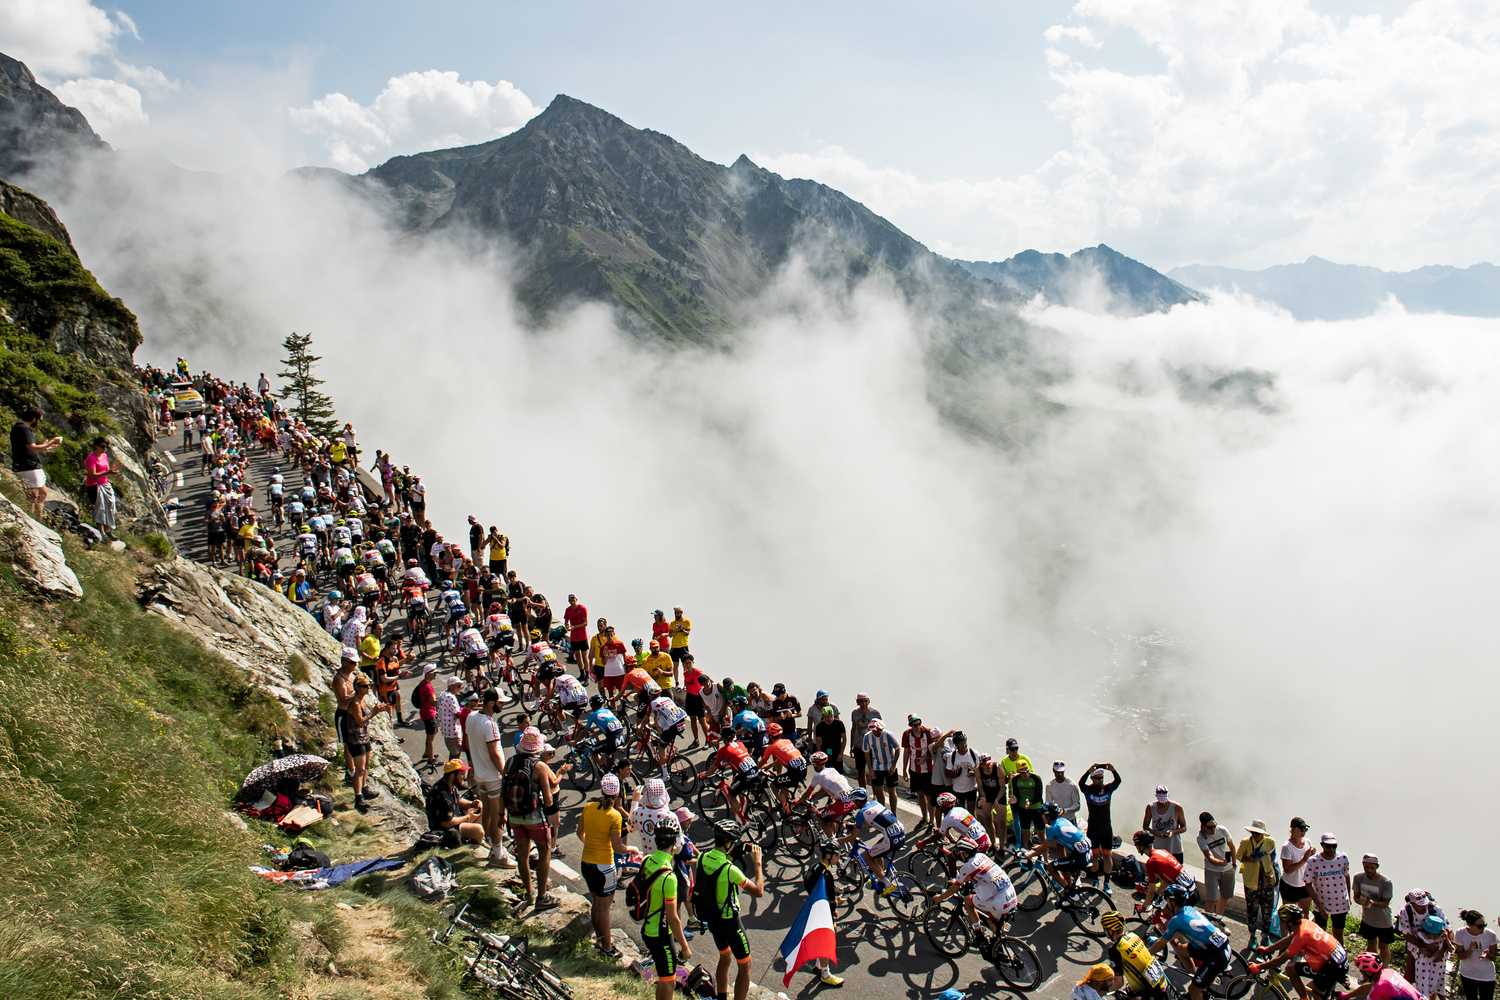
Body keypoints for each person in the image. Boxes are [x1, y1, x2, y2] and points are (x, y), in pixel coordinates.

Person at [698, 821, 766, 1000]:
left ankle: (721, 998)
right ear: (728, 844)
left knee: (725, 956)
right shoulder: (730, 870)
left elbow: (716, 868)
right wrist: (757, 864)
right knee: (745, 965)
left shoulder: (702, 858)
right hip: (730, 921)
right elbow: (758, 891)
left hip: (712, 919)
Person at [578, 773, 637, 959]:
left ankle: (600, 939)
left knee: (596, 904)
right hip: (604, 867)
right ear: (618, 793)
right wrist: (633, 849)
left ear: (602, 790)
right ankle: (607, 947)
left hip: (586, 863)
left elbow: (580, 833)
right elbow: (617, 846)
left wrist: (591, 844)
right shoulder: (615, 816)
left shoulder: (588, 807)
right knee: (604, 909)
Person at [927, 837, 1018, 950]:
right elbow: (974, 876)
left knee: (967, 902)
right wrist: (961, 881)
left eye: (960, 853)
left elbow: (954, 889)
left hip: (1000, 902)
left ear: (965, 853)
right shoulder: (982, 856)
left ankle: (979, 935)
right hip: (1012, 897)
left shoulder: (967, 866)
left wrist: (940, 898)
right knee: (992, 920)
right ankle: (999, 948)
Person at [506, 727, 559, 910]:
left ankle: (529, 893)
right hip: (535, 817)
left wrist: (500, 815)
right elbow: (549, 797)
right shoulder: (540, 766)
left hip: (514, 816)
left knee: (522, 853)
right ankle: (542, 896)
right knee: (544, 852)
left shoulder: (510, 761)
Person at [1251, 903, 1350, 1000]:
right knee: (1294, 970)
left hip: (1332, 966)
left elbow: (1282, 960)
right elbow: (1289, 940)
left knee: (1313, 989)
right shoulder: (1304, 923)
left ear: (1289, 923)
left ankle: (1304, 999)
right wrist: (1268, 949)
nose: (1281, 924)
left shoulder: (1301, 937)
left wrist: (1260, 967)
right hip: (1338, 958)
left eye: (1282, 921)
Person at [1149, 888, 1233, 1000]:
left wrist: (1146, 953)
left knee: (1193, 990)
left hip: (1217, 956)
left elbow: (1161, 944)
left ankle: (1197, 988)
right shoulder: (1188, 909)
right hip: (1221, 946)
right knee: (1180, 950)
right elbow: (1174, 934)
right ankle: (1197, 978)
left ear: (1173, 903)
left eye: (1166, 900)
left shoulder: (1176, 920)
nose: (1165, 903)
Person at [639, 822, 693, 999]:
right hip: (661, 934)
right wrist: (685, 946)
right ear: (675, 845)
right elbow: (673, 918)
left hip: (647, 928)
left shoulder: (647, 860)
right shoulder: (669, 877)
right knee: (668, 980)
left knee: (664, 977)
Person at [466, 688, 517, 868]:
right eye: (500, 702)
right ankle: (497, 853)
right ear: (491, 703)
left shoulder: (471, 717)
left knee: (487, 810)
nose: (502, 705)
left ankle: (492, 846)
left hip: (480, 773)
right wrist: (505, 774)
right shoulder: (489, 724)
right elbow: (494, 753)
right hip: (493, 775)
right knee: (497, 815)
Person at [800, 839, 845, 986]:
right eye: (836, 856)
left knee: (828, 935)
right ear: (828, 856)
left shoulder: (814, 868)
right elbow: (826, 899)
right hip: (822, 912)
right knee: (826, 940)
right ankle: (825, 974)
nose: (838, 859)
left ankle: (819, 965)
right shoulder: (825, 875)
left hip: (816, 909)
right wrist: (836, 904)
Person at [1100, 910, 1173, 1000]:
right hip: (1161, 982)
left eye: (1104, 929)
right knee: (1125, 991)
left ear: (1110, 931)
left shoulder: (1115, 950)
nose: (1104, 931)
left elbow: (1118, 983)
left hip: (1153, 993)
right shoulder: (1132, 935)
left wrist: (1100, 991)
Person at [345, 674, 390, 811]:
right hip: (356, 739)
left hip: (364, 737)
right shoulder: (355, 704)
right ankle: (358, 798)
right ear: (357, 687)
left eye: (369, 685)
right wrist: (375, 712)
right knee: (360, 770)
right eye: (365, 686)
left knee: (366, 766)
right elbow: (360, 721)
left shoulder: (363, 700)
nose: (368, 688)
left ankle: (364, 788)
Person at [842, 788, 905, 885]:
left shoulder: (861, 813)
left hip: (891, 839)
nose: (853, 804)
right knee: (876, 851)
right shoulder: (875, 803)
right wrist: (855, 825)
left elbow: (852, 837)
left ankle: (887, 884)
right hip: (899, 832)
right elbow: (873, 821)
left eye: (854, 802)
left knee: (868, 857)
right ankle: (881, 878)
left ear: (859, 802)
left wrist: (835, 840)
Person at [1395, 891, 1452, 999]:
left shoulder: (1435, 909)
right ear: (1412, 904)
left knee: (1437, 980)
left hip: (1438, 949)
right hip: (1417, 948)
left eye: (1425, 904)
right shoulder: (1406, 912)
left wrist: (1441, 951)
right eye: (1420, 905)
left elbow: (1449, 931)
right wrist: (1425, 946)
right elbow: (1407, 935)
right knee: (1410, 977)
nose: (1424, 907)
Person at [1237, 819, 1281, 948]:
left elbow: (1273, 858)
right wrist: (1250, 859)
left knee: (1267, 911)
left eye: (1258, 834)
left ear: (1263, 834)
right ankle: (1252, 936)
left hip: (1267, 881)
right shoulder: (1245, 843)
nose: (1255, 836)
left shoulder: (1270, 842)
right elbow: (1239, 856)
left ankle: (1265, 936)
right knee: (1252, 910)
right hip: (1251, 882)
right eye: (1253, 833)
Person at [10, 407, 61, 517]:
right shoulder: (24, 429)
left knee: (37, 495)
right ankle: (35, 518)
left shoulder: (18, 428)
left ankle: (34, 517)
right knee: (38, 495)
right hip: (29, 467)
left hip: (25, 466)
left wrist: (47, 446)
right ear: (34, 419)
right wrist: (53, 441)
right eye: (40, 420)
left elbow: (30, 448)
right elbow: (32, 449)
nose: (39, 423)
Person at [1133, 829, 1199, 909]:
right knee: (1164, 910)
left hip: (1185, 894)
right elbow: (1165, 882)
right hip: (1192, 890)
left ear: (1141, 846)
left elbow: (1151, 890)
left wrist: (1143, 907)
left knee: (1169, 916)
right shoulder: (1162, 851)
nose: (1136, 847)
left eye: (1136, 845)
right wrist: (1156, 895)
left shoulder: (1151, 862)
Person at [426, 759, 484, 846]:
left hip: (455, 819)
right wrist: (467, 818)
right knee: (479, 830)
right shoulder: (442, 795)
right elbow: (446, 823)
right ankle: (474, 843)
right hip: (446, 831)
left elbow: (458, 800)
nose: (464, 778)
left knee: (479, 809)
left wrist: (471, 804)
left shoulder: (449, 785)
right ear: (452, 775)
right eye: (462, 774)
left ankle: (472, 837)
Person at [1304, 833, 1351, 941]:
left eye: (1334, 846)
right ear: (1322, 845)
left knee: (1338, 935)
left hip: (1340, 903)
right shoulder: (1313, 861)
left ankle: (1339, 957)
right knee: (1320, 935)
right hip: (1322, 902)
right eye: (1328, 846)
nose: (1331, 849)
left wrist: (1349, 897)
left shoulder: (1343, 858)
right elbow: (1308, 884)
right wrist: (1319, 905)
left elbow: (1347, 876)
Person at [1038, 801, 1092, 890]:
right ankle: (1070, 888)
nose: (1041, 816)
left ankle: (1069, 891)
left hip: (1079, 857)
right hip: (1087, 852)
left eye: (1043, 815)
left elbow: (1044, 847)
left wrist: (1030, 855)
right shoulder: (1063, 820)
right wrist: (1038, 847)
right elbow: (1053, 842)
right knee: (1063, 863)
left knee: (1050, 867)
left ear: (1048, 816)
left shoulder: (1052, 829)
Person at [1352, 854, 1395, 966]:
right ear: (1363, 865)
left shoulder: (1386, 882)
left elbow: (1385, 903)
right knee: (1371, 944)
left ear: (1377, 867)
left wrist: (1372, 903)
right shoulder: (1358, 878)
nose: (1369, 870)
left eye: (1372, 868)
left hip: (1383, 921)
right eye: (1367, 867)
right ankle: (1370, 969)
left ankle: (1383, 971)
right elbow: (1356, 897)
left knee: (1384, 946)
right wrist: (1359, 901)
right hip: (1368, 920)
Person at [901, 715, 941, 828]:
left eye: (919, 724)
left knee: (929, 796)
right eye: (915, 725)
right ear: (910, 725)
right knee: (920, 795)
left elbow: (934, 749)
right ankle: (924, 817)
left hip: (928, 770)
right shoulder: (907, 734)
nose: (918, 727)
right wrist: (904, 770)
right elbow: (906, 752)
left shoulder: (928, 732)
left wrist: (925, 759)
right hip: (914, 769)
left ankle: (931, 822)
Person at [1083, 763, 1122, 880]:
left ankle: (1106, 882)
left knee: (1107, 856)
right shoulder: (1088, 790)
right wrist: (1088, 771)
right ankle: (1095, 879)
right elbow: (1080, 783)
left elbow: (1118, 781)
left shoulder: (1107, 789)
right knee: (1094, 856)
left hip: (1106, 828)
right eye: (1098, 778)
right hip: (1093, 828)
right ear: (1092, 779)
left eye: (1102, 778)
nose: (1100, 780)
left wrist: (1113, 770)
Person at [1196, 812, 1237, 917]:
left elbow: (1232, 846)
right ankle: (1207, 923)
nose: (1213, 829)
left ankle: (1218, 919)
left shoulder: (1222, 830)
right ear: (1203, 826)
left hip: (1228, 869)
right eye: (1210, 828)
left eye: (1214, 826)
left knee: (1225, 896)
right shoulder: (1201, 838)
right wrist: (1221, 863)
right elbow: (1209, 857)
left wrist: (1234, 863)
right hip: (1212, 870)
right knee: (1211, 898)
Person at [1341, 953, 1421, 1000]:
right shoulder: (1388, 972)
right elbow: (1369, 988)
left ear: (1368, 972)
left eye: (1361, 971)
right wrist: (1346, 996)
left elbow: (1374, 991)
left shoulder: (1379, 987)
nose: (1360, 972)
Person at [1454, 911, 1496, 1000]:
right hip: (1468, 974)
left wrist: (1487, 954)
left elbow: (1494, 957)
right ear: (1469, 924)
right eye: (1480, 926)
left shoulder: (1490, 934)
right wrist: (1470, 950)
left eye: (1484, 925)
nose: (1483, 929)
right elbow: (1461, 956)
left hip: (1487, 976)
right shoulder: (1460, 933)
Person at [1144, 785, 1188, 864]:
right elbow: (1145, 826)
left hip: (1175, 847)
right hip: (1159, 847)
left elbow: (1184, 827)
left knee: (1178, 871)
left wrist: (1173, 832)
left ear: (1168, 795)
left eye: (1164, 800)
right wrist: (1156, 834)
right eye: (1160, 801)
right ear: (1156, 796)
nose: (1163, 804)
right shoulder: (1151, 807)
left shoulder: (1177, 807)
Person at [862, 719, 901, 809]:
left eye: (880, 730)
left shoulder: (888, 735)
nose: (879, 732)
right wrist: (870, 769)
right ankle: (882, 811)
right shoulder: (867, 737)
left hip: (890, 765)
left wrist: (894, 765)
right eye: (877, 731)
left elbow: (897, 748)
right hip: (877, 766)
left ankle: (893, 812)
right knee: (879, 790)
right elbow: (866, 752)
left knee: (892, 791)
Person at [1009, 760, 1046, 849]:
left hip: (1036, 808)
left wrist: (1030, 802)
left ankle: (1045, 858)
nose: (1026, 774)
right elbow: (1016, 795)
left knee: (1042, 836)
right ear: (1018, 772)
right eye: (1023, 773)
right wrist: (1013, 802)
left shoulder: (1036, 778)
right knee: (1026, 835)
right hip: (1024, 809)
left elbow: (1039, 796)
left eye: (1027, 771)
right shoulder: (1015, 780)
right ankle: (1028, 856)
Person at [83, 436, 116, 534]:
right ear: (96, 446)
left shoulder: (105, 456)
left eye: (106, 447)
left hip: (104, 484)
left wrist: (111, 470)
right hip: (94, 485)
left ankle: (107, 529)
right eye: (102, 446)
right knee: (100, 508)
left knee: (110, 506)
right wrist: (108, 473)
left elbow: (106, 469)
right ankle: (101, 532)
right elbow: (92, 475)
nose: (104, 449)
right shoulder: (91, 458)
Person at [849, 693, 881, 787]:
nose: (863, 704)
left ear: (868, 701)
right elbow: (854, 729)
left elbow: (880, 729)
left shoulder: (875, 713)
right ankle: (863, 792)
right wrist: (852, 745)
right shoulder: (855, 713)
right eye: (861, 702)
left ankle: (875, 795)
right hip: (859, 745)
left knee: (874, 771)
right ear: (858, 702)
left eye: (865, 701)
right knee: (861, 771)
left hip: (872, 746)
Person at [944, 732, 981, 811]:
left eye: (965, 743)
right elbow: (947, 773)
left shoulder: (974, 754)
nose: (964, 745)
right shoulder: (952, 756)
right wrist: (956, 774)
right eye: (961, 744)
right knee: (960, 813)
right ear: (956, 745)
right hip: (958, 790)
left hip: (971, 789)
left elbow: (980, 771)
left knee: (972, 813)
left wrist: (973, 773)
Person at [412, 663, 439, 765]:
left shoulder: (423, 683)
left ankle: (427, 753)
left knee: (435, 730)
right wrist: (445, 699)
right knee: (430, 736)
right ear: (427, 674)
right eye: (434, 673)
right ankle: (430, 759)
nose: (435, 675)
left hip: (427, 712)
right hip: (429, 713)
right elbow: (433, 702)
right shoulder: (427, 687)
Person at [564, 594, 591, 679]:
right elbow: (566, 621)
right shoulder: (568, 610)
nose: (572, 602)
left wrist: (574, 627)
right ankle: (582, 673)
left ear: (576, 599)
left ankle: (587, 674)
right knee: (577, 657)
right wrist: (567, 626)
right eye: (570, 600)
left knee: (584, 656)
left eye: (573, 600)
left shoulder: (582, 609)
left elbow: (585, 623)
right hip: (574, 637)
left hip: (582, 636)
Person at [813, 705, 847, 772]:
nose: (830, 718)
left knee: (838, 773)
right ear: (823, 716)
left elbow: (844, 739)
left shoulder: (839, 724)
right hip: (825, 752)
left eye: (831, 716)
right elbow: (818, 741)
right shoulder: (820, 726)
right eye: (827, 717)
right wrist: (820, 755)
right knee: (826, 773)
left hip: (837, 751)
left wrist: (841, 753)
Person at [667, 605, 690, 677]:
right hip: (675, 646)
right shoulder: (673, 622)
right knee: (675, 665)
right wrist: (675, 629)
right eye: (675, 613)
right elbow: (670, 635)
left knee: (685, 665)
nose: (676, 614)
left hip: (683, 646)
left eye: (678, 613)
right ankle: (677, 683)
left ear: (681, 613)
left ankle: (686, 684)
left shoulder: (686, 621)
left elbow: (687, 634)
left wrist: (681, 629)